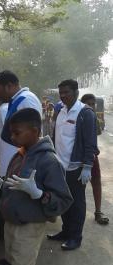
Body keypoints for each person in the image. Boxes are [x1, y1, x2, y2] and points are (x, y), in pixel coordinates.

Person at [0, 108, 75, 265]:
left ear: (34, 130)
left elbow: (64, 200)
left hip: (29, 227)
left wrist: (39, 194)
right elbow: (15, 184)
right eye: (11, 133)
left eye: (17, 132)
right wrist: (0, 183)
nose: (12, 137)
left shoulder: (49, 161)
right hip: (11, 223)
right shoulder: (20, 154)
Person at [47, 80, 99, 250]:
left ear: (76, 93)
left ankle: (75, 237)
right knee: (64, 201)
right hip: (60, 166)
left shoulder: (85, 113)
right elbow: (56, 137)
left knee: (77, 203)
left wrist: (87, 167)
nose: (63, 96)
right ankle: (66, 231)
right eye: (60, 93)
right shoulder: (60, 111)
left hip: (75, 167)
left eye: (66, 92)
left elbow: (90, 143)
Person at [0, 70, 42, 177]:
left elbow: (33, 137)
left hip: (20, 168)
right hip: (12, 165)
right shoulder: (16, 100)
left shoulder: (26, 100)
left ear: (9, 86)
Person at [80, 93, 108, 225]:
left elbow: (95, 135)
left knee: (96, 181)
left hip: (92, 154)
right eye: (88, 104)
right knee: (78, 186)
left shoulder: (93, 117)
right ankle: (76, 213)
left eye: (93, 104)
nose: (91, 106)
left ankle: (98, 211)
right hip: (80, 156)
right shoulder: (80, 116)